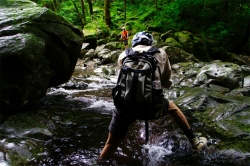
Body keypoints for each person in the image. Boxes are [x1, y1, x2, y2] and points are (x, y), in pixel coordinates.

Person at [99, 31, 207, 160]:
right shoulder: (160, 53)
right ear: (150, 42)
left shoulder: (124, 54)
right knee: (173, 108)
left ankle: (100, 162)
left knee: (110, 143)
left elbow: (120, 82)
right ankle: (194, 141)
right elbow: (166, 82)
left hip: (125, 106)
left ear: (134, 43)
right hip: (151, 106)